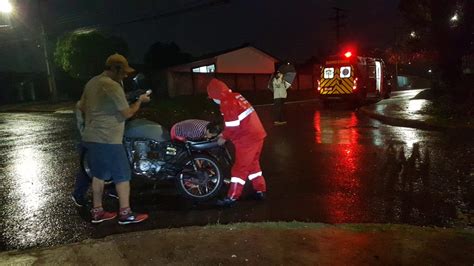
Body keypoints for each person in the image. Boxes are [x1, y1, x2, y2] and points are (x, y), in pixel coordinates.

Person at [78, 53, 150, 224]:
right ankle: (126, 214)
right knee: (122, 175)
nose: (125, 75)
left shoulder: (92, 82)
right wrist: (139, 101)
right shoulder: (112, 85)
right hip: (109, 138)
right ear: (116, 69)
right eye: (123, 72)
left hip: (92, 136)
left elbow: (82, 105)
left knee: (98, 175)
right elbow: (127, 113)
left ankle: (97, 212)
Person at [207, 78, 267, 207]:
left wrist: (223, 137)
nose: (213, 101)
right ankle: (260, 190)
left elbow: (233, 126)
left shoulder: (226, 102)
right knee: (253, 165)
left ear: (216, 95)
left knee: (239, 169)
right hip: (257, 135)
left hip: (247, 139)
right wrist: (225, 134)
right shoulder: (236, 96)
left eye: (212, 97)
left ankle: (232, 197)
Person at [71, 100, 118, 208]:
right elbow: (84, 126)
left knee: (108, 163)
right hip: (87, 140)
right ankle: (78, 194)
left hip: (98, 138)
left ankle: (111, 189)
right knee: (88, 170)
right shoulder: (84, 104)